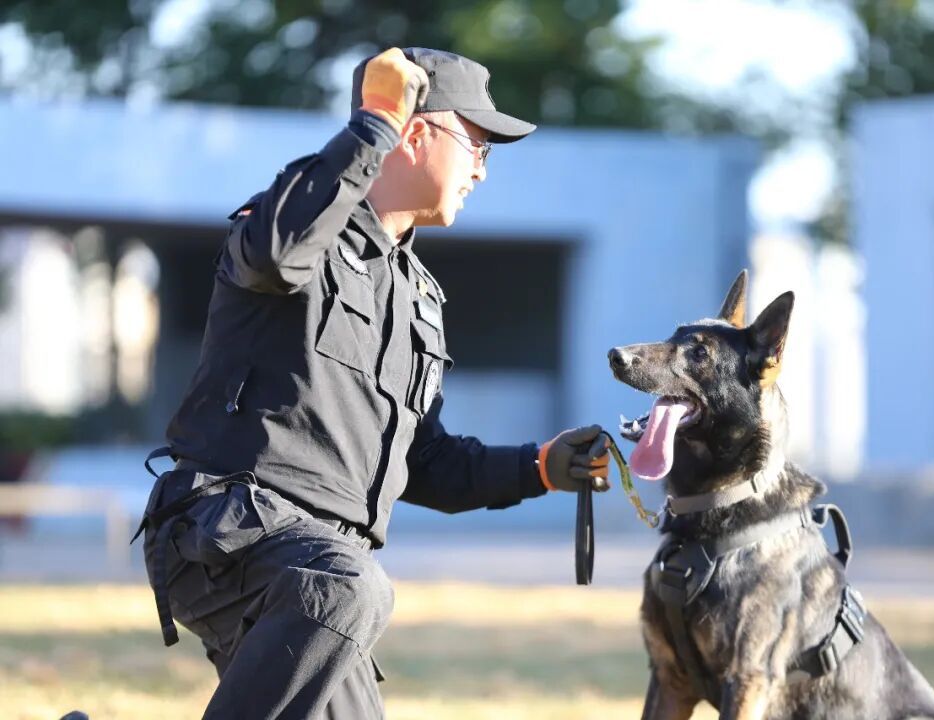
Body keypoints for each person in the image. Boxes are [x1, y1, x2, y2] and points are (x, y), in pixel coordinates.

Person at [135, 46, 611, 719]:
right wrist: (374, 122)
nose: (482, 166)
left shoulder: (418, 296)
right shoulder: (301, 222)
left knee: (344, 592)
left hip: (318, 568)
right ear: (416, 133)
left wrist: (540, 467)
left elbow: (428, 464)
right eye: (477, 143)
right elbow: (273, 251)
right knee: (351, 587)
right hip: (229, 530)